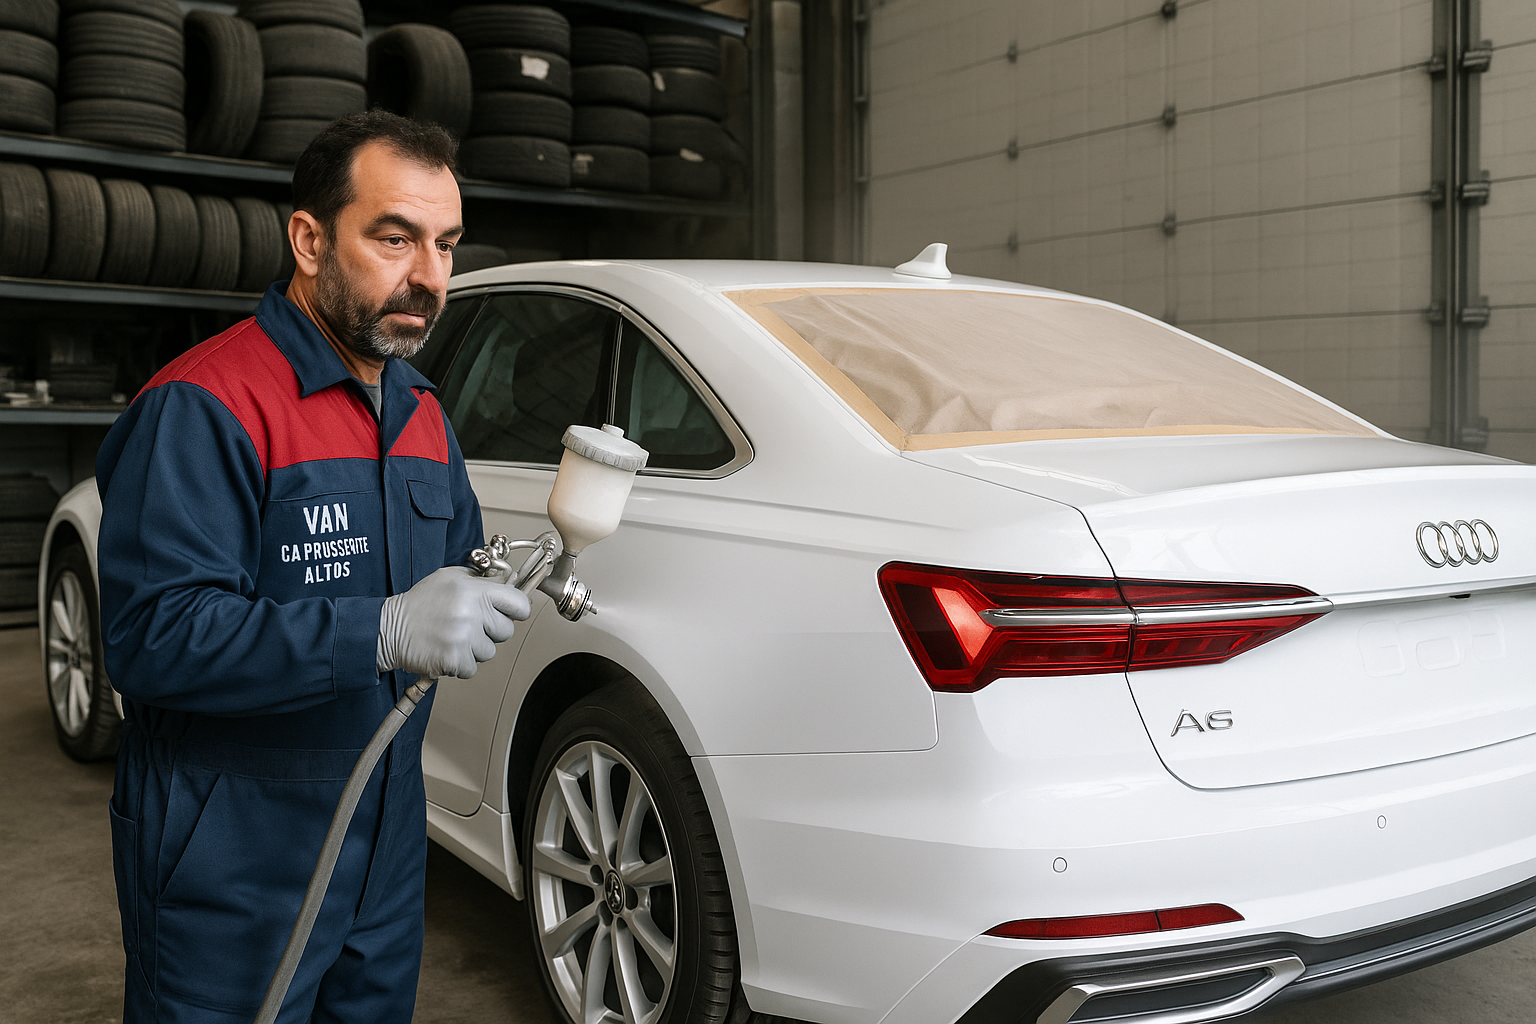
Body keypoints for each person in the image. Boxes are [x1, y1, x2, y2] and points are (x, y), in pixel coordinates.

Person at [95, 111, 527, 1022]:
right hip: (232, 851)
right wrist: (384, 628)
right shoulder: (205, 406)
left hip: (385, 843)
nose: (428, 277)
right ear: (309, 239)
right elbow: (154, 639)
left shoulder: (422, 415)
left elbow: (455, 568)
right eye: (395, 238)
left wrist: (484, 593)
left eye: (446, 245)